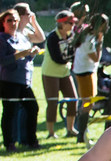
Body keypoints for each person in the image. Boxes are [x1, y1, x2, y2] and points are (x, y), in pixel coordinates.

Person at [0, 8, 40, 152]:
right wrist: (20, 54)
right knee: (10, 112)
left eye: (15, 20)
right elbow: (2, 61)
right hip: (8, 80)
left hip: (24, 79)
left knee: (33, 108)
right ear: (3, 23)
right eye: (9, 20)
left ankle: (31, 141)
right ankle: (9, 143)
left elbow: (27, 59)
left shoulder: (22, 36)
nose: (13, 23)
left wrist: (32, 54)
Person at [42, 10, 78, 139]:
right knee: (52, 101)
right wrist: (71, 59)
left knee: (73, 99)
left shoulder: (71, 36)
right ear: (62, 24)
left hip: (65, 72)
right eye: (70, 23)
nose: (72, 25)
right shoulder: (53, 37)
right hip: (51, 73)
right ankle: (51, 132)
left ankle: (70, 129)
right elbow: (56, 57)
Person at [71, 12, 106, 144]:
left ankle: (83, 132)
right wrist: (100, 41)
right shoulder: (89, 39)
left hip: (87, 70)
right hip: (85, 72)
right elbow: (96, 58)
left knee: (88, 102)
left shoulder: (87, 34)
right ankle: (81, 134)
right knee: (87, 104)